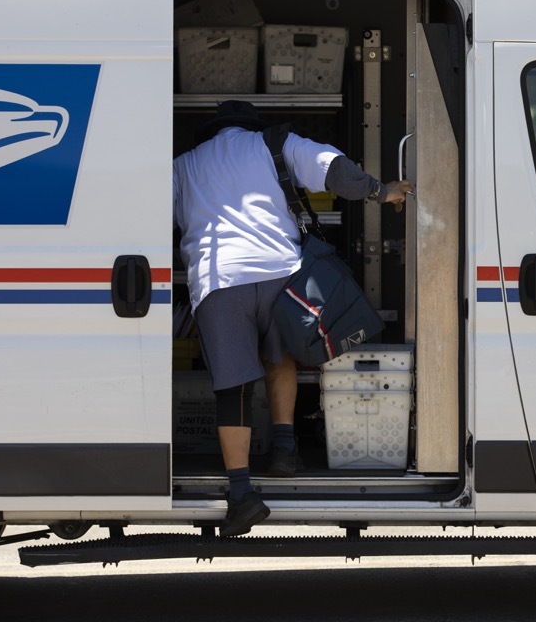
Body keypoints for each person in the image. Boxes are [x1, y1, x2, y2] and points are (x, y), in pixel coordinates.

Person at [173, 100, 411, 537]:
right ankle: (284, 446)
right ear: (248, 125)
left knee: (235, 386)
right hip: (280, 271)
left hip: (219, 278)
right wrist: (383, 191)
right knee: (280, 357)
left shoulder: (184, 164)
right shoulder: (274, 143)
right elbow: (334, 169)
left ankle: (242, 494)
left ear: (212, 131)